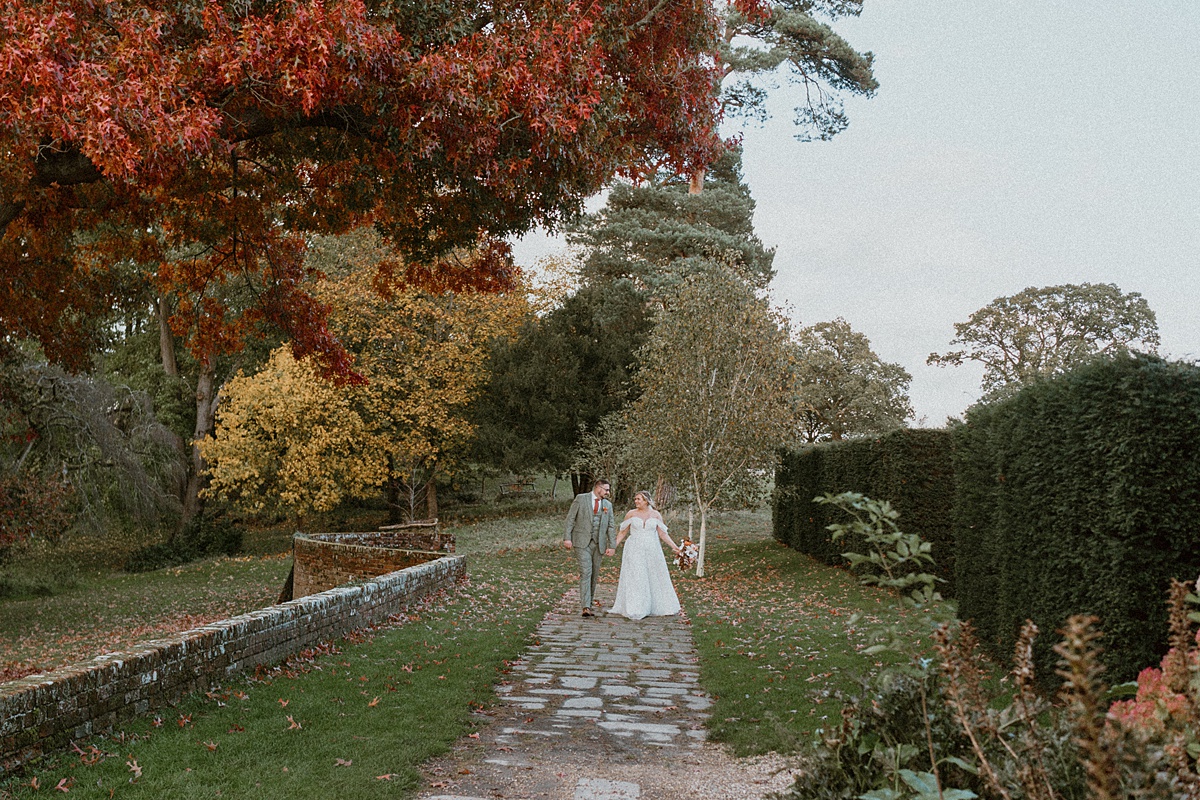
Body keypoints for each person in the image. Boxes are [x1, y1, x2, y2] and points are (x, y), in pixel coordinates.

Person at [608, 490, 682, 620]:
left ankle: (655, 605)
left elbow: (663, 534)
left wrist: (675, 547)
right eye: (635, 499)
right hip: (634, 548)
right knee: (637, 576)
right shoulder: (631, 514)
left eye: (639, 499)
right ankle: (637, 607)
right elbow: (622, 533)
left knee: (653, 575)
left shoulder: (656, 515)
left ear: (646, 501)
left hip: (652, 549)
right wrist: (613, 547)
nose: (636, 501)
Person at [563, 479, 616, 617]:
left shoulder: (607, 505)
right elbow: (570, 519)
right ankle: (585, 607)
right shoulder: (581, 499)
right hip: (581, 542)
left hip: (599, 544)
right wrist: (567, 538)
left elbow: (611, 526)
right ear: (598, 488)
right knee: (586, 572)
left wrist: (612, 545)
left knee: (594, 574)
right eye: (606, 489)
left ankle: (589, 603)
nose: (608, 492)